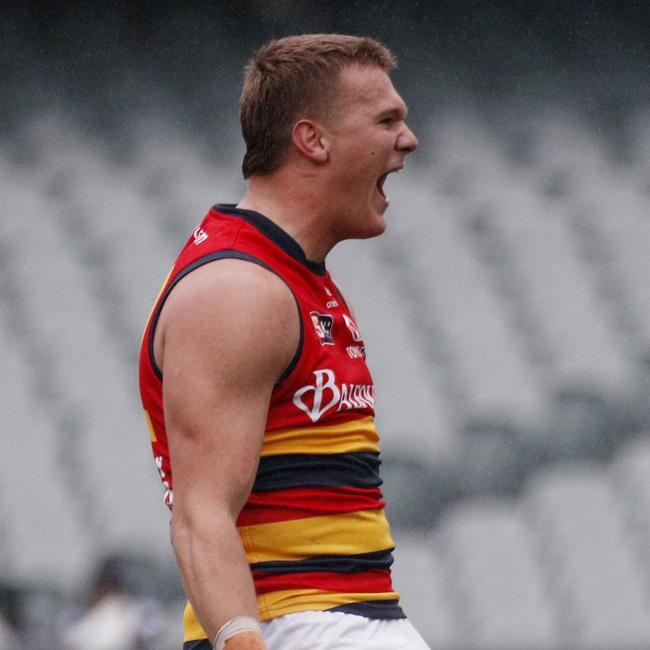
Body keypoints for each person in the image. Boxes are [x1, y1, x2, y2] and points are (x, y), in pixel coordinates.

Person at [138, 33, 426, 650]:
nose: (409, 139)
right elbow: (201, 516)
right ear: (312, 139)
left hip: (340, 618)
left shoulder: (290, 276)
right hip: (303, 624)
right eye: (387, 120)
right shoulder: (239, 288)